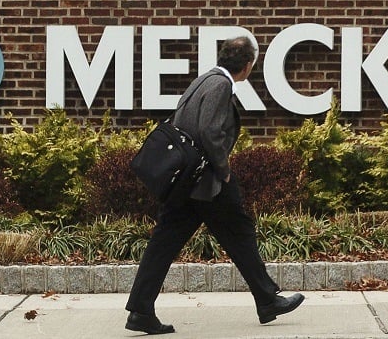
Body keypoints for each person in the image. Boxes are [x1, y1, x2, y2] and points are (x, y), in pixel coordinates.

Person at [125, 36, 304, 335]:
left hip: (186, 183)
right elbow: (209, 131)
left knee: (165, 243)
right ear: (247, 67)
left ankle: (140, 311)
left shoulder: (204, 79)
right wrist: (224, 170)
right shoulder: (221, 86)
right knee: (240, 232)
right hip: (207, 183)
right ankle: (268, 300)